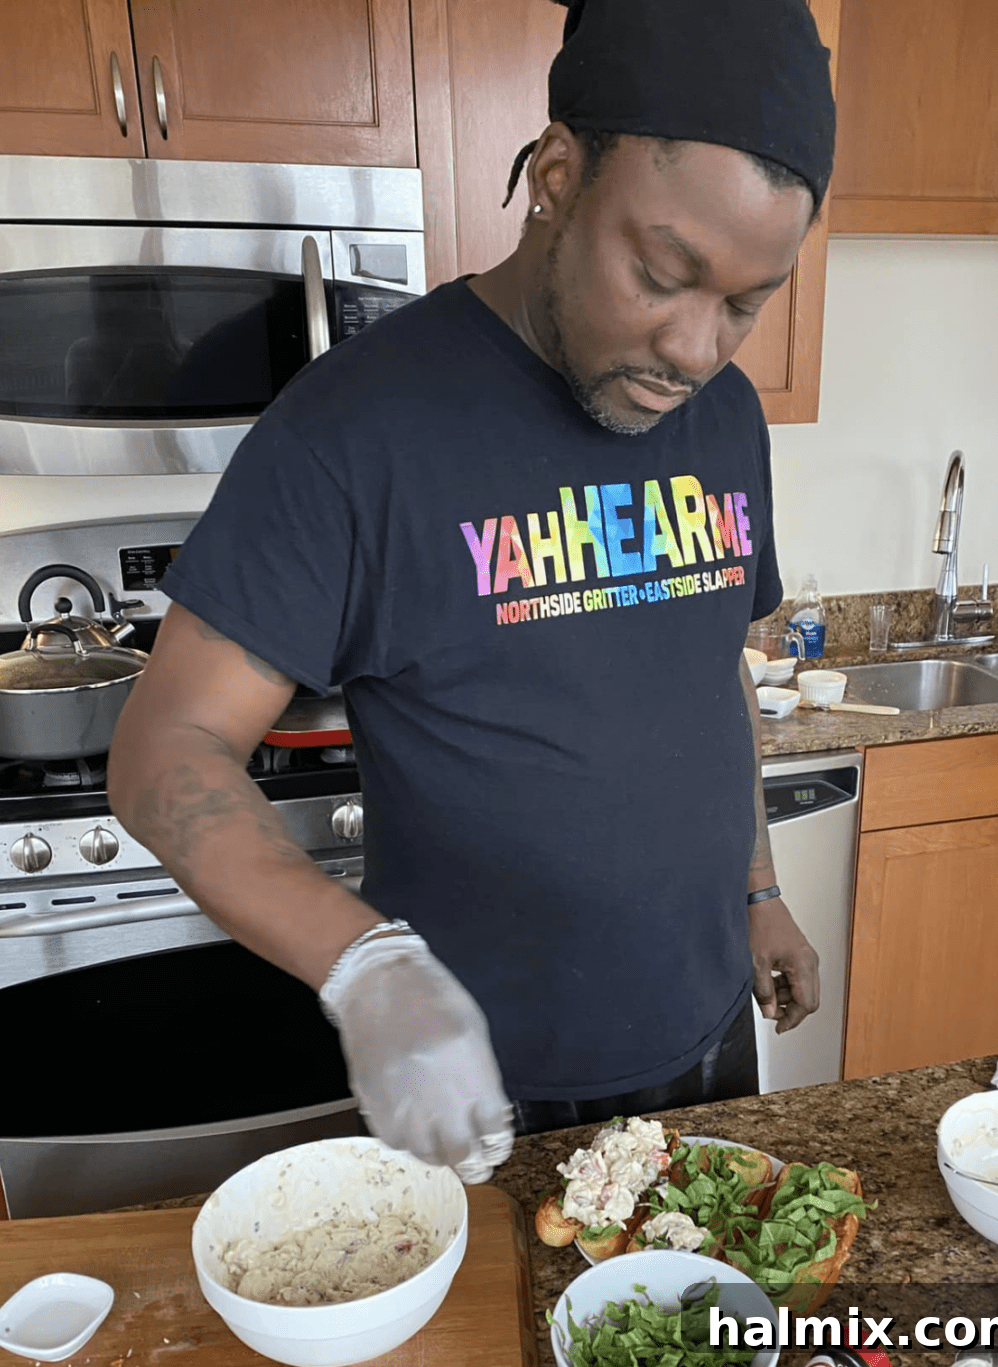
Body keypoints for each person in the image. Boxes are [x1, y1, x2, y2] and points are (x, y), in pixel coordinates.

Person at [107, 0, 836, 1184]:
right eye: (662, 274)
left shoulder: (726, 418)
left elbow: (705, 674)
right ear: (555, 174)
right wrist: (366, 967)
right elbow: (161, 749)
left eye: (745, 302)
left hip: (704, 1038)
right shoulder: (358, 427)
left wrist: (757, 889)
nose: (697, 350)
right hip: (475, 1082)